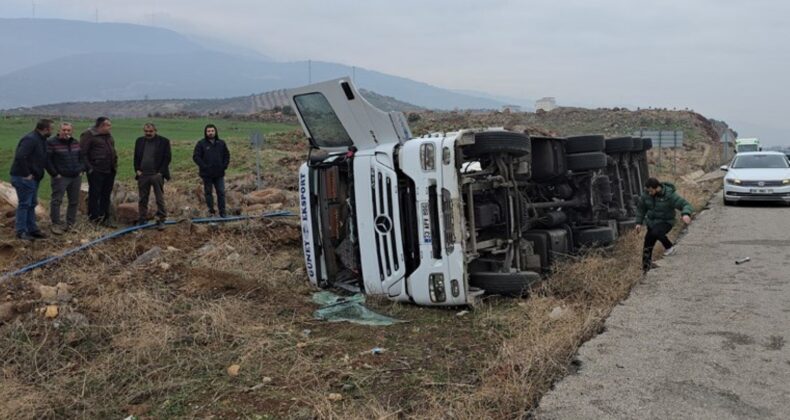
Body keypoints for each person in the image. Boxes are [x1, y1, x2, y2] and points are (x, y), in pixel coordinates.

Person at [635, 177, 694, 272]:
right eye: (648, 191)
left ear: (657, 188)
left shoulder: (669, 195)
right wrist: (638, 223)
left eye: (651, 191)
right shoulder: (646, 195)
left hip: (666, 222)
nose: (649, 193)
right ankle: (646, 269)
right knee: (647, 247)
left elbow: (685, 204)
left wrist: (685, 214)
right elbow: (641, 209)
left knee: (656, 232)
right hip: (652, 223)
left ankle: (669, 247)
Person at [10, 119, 53, 240]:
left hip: (34, 178)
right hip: (23, 178)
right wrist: (26, 173)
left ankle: (32, 229)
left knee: (32, 203)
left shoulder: (42, 140)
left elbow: (44, 159)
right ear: (45, 129)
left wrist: (54, 173)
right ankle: (21, 231)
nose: (52, 131)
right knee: (24, 204)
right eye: (51, 128)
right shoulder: (31, 139)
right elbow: (20, 156)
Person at [46, 122, 85, 234]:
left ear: (72, 131)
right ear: (59, 131)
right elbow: (47, 160)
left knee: (74, 201)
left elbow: (81, 157)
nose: (66, 132)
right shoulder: (51, 143)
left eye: (68, 130)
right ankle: (56, 224)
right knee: (57, 200)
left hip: (76, 176)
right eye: (64, 130)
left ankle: (70, 224)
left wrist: (81, 169)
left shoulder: (75, 142)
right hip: (61, 177)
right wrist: (54, 174)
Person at [80, 117, 118, 227]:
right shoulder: (88, 135)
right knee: (94, 195)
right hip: (96, 170)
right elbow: (83, 153)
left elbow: (112, 149)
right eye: (108, 125)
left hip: (110, 170)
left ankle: (105, 217)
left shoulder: (108, 136)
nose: (110, 127)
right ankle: (93, 218)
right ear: (101, 126)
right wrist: (90, 169)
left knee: (106, 195)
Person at [133, 123, 171, 230]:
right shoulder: (139, 141)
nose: (148, 133)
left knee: (159, 198)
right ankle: (142, 219)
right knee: (142, 198)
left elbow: (167, 158)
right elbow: (136, 157)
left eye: (150, 131)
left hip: (156, 175)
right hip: (143, 175)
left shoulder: (164, 141)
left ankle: (161, 219)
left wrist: (160, 173)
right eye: (146, 131)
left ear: (155, 130)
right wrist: (137, 170)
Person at [192, 124, 230, 217]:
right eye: (208, 131)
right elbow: (196, 157)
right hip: (207, 174)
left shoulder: (221, 143)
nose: (210, 133)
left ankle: (222, 212)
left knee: (221, 192)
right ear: (206, 132)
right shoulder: (201, 144)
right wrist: (204, 166)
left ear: (215, 132)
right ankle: (211, 212)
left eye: (212, 131)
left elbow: (227, 155)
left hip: (219, 173)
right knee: (208, 193)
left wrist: (224, 166)